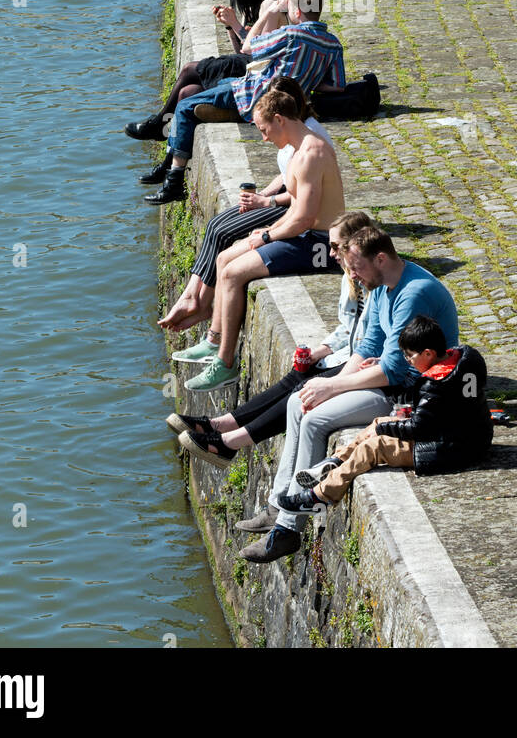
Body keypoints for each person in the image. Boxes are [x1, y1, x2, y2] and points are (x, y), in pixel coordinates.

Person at [237, 224, 460, 563]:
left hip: (407, 393)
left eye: (357, 266)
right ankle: (279, 503)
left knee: (315, 419)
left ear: (381, 258)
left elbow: (396, 370)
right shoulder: (382, 285)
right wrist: (333, 381)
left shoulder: (413, 293)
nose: (352, 274)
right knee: (300, 401)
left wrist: (333, 386)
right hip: (386, 378)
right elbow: (369, 342)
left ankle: (287, 529)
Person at [165, 86, 345, 391]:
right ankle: (215, 340)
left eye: (264, 129)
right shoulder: (299, 150)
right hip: (304, 235)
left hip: (319, 244)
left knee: (234, 273)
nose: (263, 137)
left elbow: (304, 218)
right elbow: (297, 208)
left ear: (279, 119)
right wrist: (258, 235)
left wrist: (264, 236)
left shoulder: (312, 153)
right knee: (225, 256)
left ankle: (225, 365)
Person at [167, 208, 371, 462]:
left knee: (303, 389)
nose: (330, 254)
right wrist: (322, 349)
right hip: (349, 355)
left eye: (335, 246)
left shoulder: (376, 284)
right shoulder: (350, 279)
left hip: (365, 364)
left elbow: (373, 341)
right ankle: (219, 425)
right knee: (299, 373)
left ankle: (230, 442)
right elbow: (348, 328)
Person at [142, 0, 345, 205]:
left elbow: (248, 48)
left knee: (185, 105)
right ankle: (169, 162)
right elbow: (337, 86)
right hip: (285, 101)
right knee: (190, 91)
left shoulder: (291, 34)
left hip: (254, 95)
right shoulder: (333, 44)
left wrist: (267, 13)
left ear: (296, 12)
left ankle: (174, 181)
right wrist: (307, 78)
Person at [276, 315, 493, 516]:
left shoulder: (434, 385)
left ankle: (320, 497)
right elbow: (440, 409)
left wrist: (383, 430)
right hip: (472, 434)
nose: (407, 360)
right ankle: (336, 460)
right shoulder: (467, 357)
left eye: (410, 355)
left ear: (429, 353)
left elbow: (418, 429)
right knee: (380, 420)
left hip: (452, 448)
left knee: (375, 447)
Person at [124, 0, 278, 136]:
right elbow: (240, 51)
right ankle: (172, 156)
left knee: (189, 68)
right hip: (245, 66)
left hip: (260, 71)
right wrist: (228, 27)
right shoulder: (248, 8)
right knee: (187, 92)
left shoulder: (270, 6)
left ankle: (160, 123)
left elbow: (260, 52)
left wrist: (235, 24)